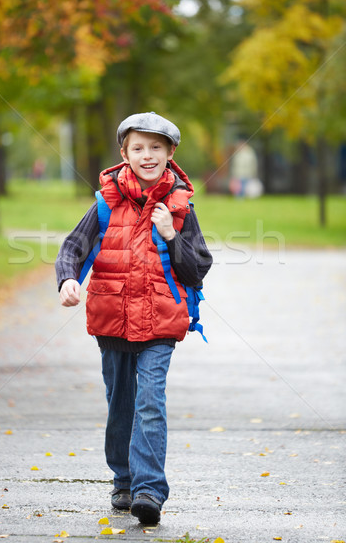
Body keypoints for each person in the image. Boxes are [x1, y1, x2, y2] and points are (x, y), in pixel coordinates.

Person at [55, 111, 212, 525]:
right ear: (124, 153)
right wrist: (68, 280)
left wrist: (171, 235)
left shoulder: (178, 207)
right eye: (138, 148)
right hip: (112, 320)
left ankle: (148, 491)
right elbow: (74, 246)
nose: (147, 155)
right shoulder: (106, 203)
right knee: (120, 404)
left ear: (170, 153)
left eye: (156, 148)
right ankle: (123, 479)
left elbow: (196, 269)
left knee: (149, 403)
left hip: (161, 323)